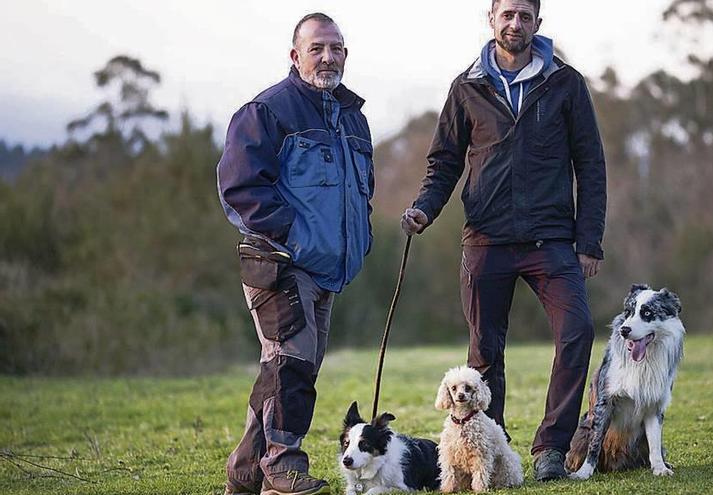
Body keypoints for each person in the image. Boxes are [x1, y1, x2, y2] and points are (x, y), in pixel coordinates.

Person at [401, 0, 606, 482]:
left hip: (551, 239)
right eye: (507, 14)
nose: (516, 23)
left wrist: (589, 240)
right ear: (491, 19)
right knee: (485, 353)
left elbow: (590, 164)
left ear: (538, 22)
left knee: (577, 332)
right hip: (485, 240)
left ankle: (552, 448)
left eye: (525, 15)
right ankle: (491, 449)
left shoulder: (566, 83)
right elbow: (444, 162)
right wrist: (424, 209)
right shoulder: (466, 87)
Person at [217, 12, 374, 495]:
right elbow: (239, 188)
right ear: (295, 55)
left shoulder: (353, 118)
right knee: (292, 365)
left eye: (336, 49)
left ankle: (246, 473)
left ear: (345, 54)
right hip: (280, 264)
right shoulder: (268, 111)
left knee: (286, 368)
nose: (327, 57)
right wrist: (295, 237)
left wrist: (358, 238)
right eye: (316, 48)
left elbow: (359, 193)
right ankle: (284, 467)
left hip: (328, 270)